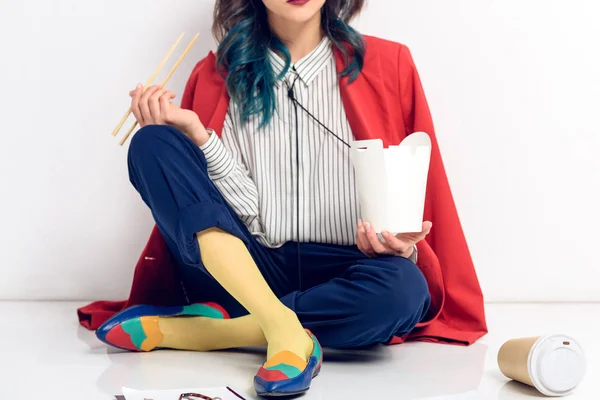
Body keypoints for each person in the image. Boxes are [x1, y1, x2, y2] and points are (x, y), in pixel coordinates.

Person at [81, 0, 487, 397]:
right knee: (154, 142)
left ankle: (213, 332)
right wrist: (200, 137)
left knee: (403, 292)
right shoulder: (216, 73)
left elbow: (415, 184)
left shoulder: (389, 63)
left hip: (344, 271)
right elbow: (236, 210)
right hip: (246, 268)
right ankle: (281, 328)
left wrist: (397, 244)